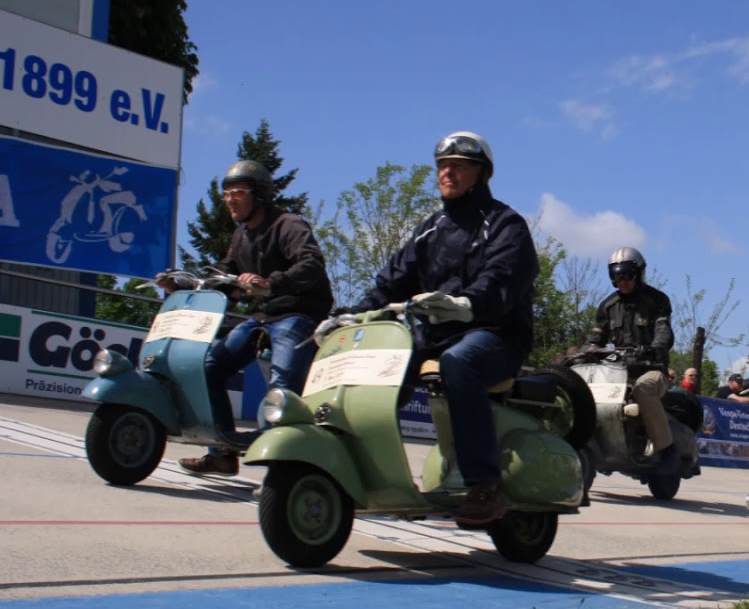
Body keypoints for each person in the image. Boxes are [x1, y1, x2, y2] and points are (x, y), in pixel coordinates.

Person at [346, 131, 538, 527]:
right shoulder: (430, 229)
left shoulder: (505, 223)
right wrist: (357, 313)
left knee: (458, 362)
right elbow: (392, 279)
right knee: (378, 357)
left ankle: (485, 484)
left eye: (459, 166)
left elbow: (504, 278)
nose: (447, 173)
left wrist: (468, 303)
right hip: (436, 332)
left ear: (481, 174)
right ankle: (358, 461)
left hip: (496, 333)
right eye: (442, 166)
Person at [172, 160, 334, 476]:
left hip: (297, 315)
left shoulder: (288, 225)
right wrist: (180, 284)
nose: (230, 199)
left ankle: (279, 469)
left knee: (282, 385)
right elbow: (224, 274)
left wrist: (271, 283)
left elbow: (312, 263)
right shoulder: (242, 235)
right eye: (226, 194)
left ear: (258, 195)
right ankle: (220, 454)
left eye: (238, 192)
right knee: (210, 367)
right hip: (262, 317)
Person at [584, 247, 680, 476]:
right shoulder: (608, 305)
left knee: (643, 390)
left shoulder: (657, 300)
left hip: (650, 370)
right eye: (618, 276)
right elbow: (595, 337)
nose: (623, 281)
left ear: (639, 273)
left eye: (627, 275)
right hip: (616, 370)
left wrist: (656, 348)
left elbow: (663, 330)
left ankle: (667, 451)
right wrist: (586, 349)